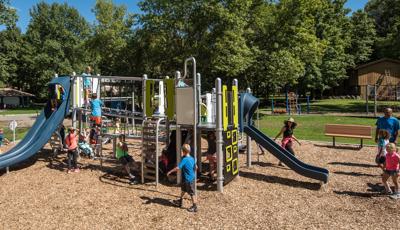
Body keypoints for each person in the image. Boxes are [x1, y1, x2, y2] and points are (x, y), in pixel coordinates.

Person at [167, 144, 198, 212]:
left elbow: (178, 168)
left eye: (181, 151)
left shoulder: (185, 159)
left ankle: (195, 206)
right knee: (183, 189)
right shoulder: (192, 158)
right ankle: (180, 201)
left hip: (188, 179)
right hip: (188, 178)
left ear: (184, 152)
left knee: (192, 193)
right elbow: (196, 167)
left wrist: (170, 171)